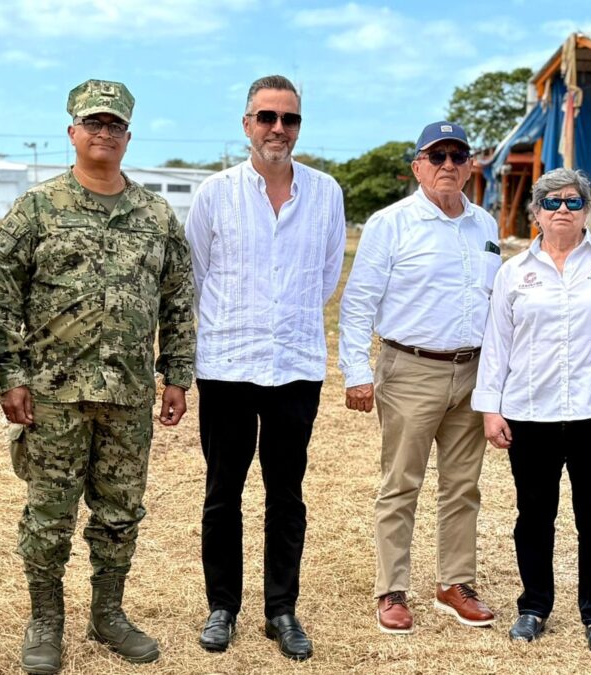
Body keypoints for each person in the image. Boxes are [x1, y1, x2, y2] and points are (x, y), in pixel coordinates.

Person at [0, 79, 195, 671]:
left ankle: (107, 612)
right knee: (49, 514)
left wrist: (177, 374)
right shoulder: (36, 208)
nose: (104, 133)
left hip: (128, 394)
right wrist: (12, 376)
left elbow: (178, 299)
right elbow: (1, 299)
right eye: (93, 124)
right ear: (73, 133)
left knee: (119, 511)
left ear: (128, 136)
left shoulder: (155, 214)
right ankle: (45, 620)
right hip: (52, 395)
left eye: (115, 126)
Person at [185, 74, 345, 660]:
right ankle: (221, 606)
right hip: (227, 365)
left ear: (299, 125)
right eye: (267, 117)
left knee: (287, 494)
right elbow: (196, 277)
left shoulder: (326, 192)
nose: (278, 128)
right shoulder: (213, 195)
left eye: (290, 119)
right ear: (246, 123)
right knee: (223, 493)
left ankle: (281, 609)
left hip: (296, 367)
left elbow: (327, 277)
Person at [472, 167, 591, 654]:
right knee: (534, 515)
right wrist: (491, 409)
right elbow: (497, 345)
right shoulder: (514, 272)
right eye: (552, 202)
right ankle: (534, 606)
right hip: (530, 414)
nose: (562, 210)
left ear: (585, 211)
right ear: (535, 212)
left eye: (573, 202)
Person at [338, 121, 500, 635]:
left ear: (471, 166)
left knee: (463, 486)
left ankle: (455, 583)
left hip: (473, 371)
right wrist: (356, 373)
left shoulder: (486, 226)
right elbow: (358, 302)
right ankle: (392, 589)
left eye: (458, 155)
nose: (448, 165)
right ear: (418, 166)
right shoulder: (391, 223)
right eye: (437, 156)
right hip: (409, 368)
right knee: (401, 483)